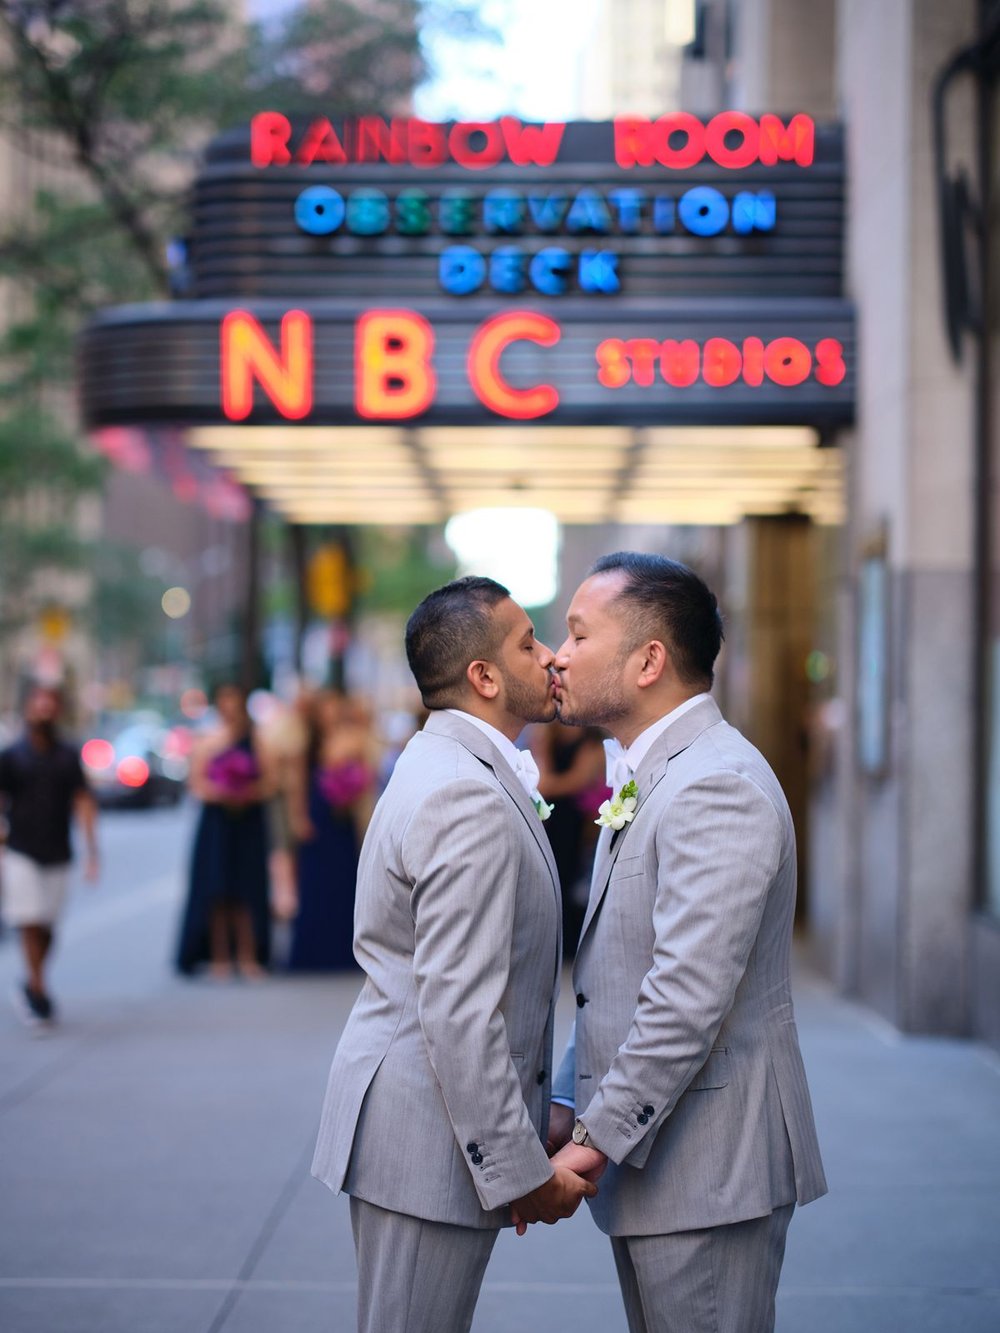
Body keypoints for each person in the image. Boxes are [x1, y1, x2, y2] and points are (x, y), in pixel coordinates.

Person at [541, 552, 827, 1333]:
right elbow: (615, 973)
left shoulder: (716, 784)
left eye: (577, 633)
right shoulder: (648, 771)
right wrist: (566, 1100)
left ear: (649, 660)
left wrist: (591, 1143)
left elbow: (684, 999)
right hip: (662, 1165)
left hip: (709, 1167)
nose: (557, 654)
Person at [311, 576, 597, 1333]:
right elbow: (459, 1010)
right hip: (421, 1143)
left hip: (425, 1129)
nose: (551, 659)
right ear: (485, 676)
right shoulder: (463, 794)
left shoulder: (444, 762)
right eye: (529, 644)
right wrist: (520, 1173)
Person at [0, 684, 99, 1026]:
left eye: (50, 704)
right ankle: (38, 988)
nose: (43, 710)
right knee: (29, 918)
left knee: (49, 925)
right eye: (37, 703)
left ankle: (33, 981)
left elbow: (84, 801)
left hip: (58, 849)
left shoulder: (68, 755)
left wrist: (92, 852)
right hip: (21, 849)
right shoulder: (12, 755)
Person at [175, 683, 273, 979]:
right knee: (217, 891)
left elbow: (271, 782)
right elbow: (196, 784)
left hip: (248, 823)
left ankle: (248, 955)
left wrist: (247, 793)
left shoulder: (257, 740)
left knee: (247, 890)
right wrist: (222, 792)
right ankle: (220, 957)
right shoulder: (208, 741)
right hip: (217, 824)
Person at [286, 689, 375, 972]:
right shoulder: (308, 742)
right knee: (315, 881)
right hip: (319, 812)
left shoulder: (354, 738)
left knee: (343, 879)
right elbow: (298, 783)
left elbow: (364, 773)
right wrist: (299, 818)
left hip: (343, 815)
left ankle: (343, 949)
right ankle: (313, 950)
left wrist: (351, 793)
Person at [530, 719, 608, 958]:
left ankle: (572, 943)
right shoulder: (548, 736)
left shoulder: (592, 742)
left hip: (578, 821)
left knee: (575, 879)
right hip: (553, 819)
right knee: (553, 878)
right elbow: (541, 774)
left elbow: (577, 780)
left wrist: (549, 785)